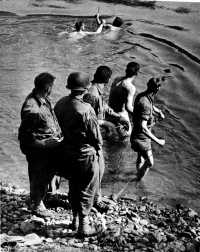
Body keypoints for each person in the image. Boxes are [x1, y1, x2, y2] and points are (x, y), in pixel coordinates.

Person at [54, 72, 102, 237]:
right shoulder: (86, 109)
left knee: (73, 186)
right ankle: (83, 226)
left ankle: (74, 220)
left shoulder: (60, 104)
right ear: (87, 87)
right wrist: (98, 150)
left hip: (66, 154)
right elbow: (96, 138)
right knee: (87, 188)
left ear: (69, 86)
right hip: (84, 155)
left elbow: (55, 129)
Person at [83, 65, 129, 209]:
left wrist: (117, 117)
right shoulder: (92, 94)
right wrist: (107, 123)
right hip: (91, 136)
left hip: (97, 133)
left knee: (99, 169)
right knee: (98, 169)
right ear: (108, 80)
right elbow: (86, 118)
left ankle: (96, 197)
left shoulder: (97, 90)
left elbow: (103, 107)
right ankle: (95, 200)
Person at [18, 72, 63, 217]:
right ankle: (37, 204)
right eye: (52, 86)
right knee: (38, 174)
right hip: (38, 150)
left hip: (48, 146)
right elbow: (24, 137)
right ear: (48, 87)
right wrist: (43, 144)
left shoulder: (43, 99)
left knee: (47, 173)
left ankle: (41, 197)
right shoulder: (32, 108)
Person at [130, 77, 165, 181]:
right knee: (150, 162)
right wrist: (158, 141)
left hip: (135, 135)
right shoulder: (146, 104)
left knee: (140, 157)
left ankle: (138, 175)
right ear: (158, 88)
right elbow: (143, 127)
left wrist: (159, 112)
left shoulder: (142, 96)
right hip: (142, 139)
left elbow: (151, 106)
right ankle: (138, 181)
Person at [108, 62, 140, 139]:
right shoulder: (130, 87)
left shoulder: (117, 79)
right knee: (127, 138)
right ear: (137, 73)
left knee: (110, 135)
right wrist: (140, 114)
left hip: (109, 112)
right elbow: (128, 107)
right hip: (120, 115)